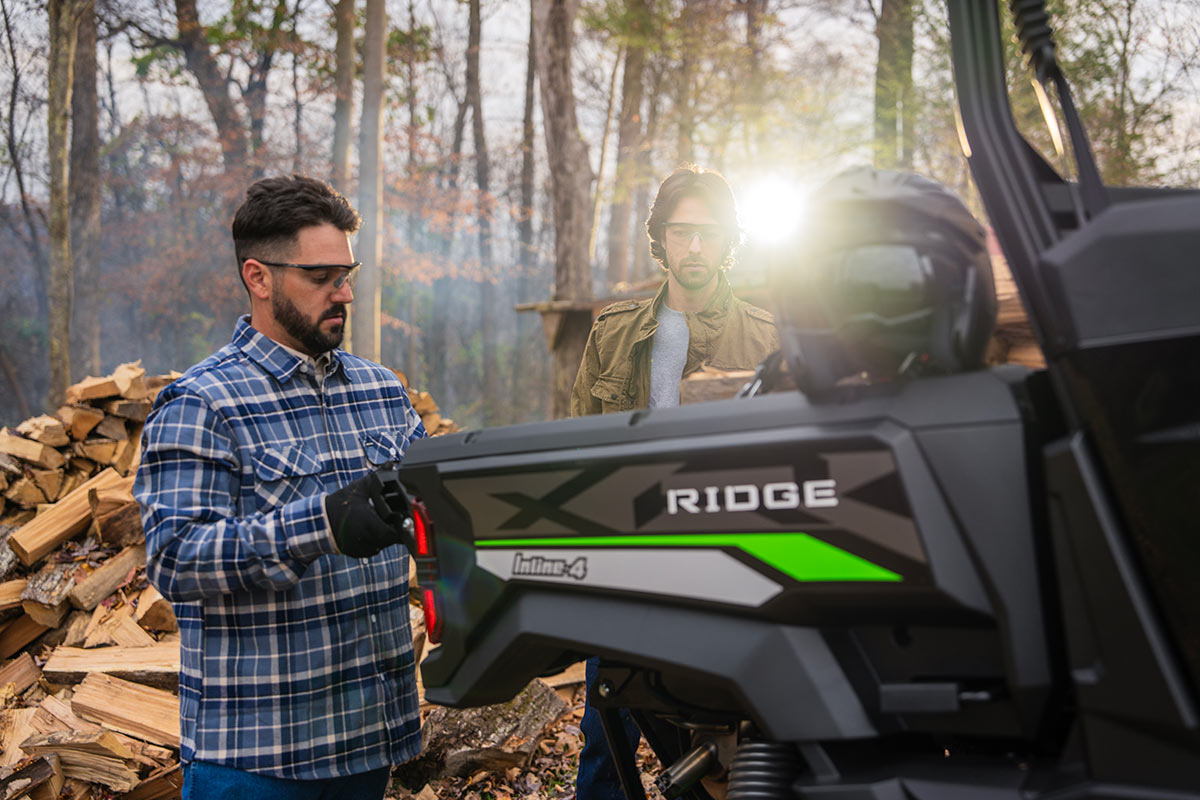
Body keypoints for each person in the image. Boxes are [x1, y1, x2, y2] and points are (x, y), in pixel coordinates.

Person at [134, 175, 426, 799]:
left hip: (369, 740)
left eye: (347, 274)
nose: (343, 293)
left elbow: (436, 516)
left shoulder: (381, 392)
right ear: (258, 277)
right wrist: (321, 523)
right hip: (258, 758)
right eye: (320, 277)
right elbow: (174, 557)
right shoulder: (203, 402)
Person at [570, 165, 778, 800]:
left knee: (718, 748)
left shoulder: (766, 338)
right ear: (659, 238)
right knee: (608, 742)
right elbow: (580, 449)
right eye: (681, 232)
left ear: (727, 242)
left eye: (708, 234)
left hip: (726, 568)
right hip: (628, 556)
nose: (694, 248)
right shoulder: (614, 332)